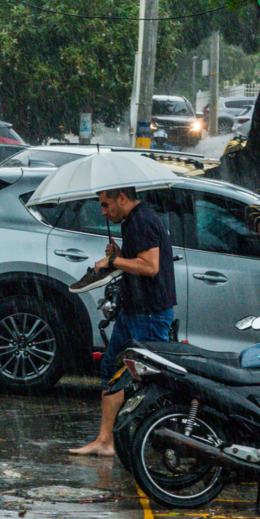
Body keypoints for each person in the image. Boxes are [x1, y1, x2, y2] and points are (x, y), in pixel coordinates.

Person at [69, 186, 176, 456]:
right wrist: (120, 254)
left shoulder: (143, 220)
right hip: (135, 312)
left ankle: (171, 437)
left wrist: (114, 259)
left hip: (149, 314)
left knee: (146, 378)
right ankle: (105, 441)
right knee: (111, 371)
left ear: (123, 198)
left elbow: (150, 266)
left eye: (106, 205)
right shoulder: (134, 221)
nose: (104, 213)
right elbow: (138, 260)